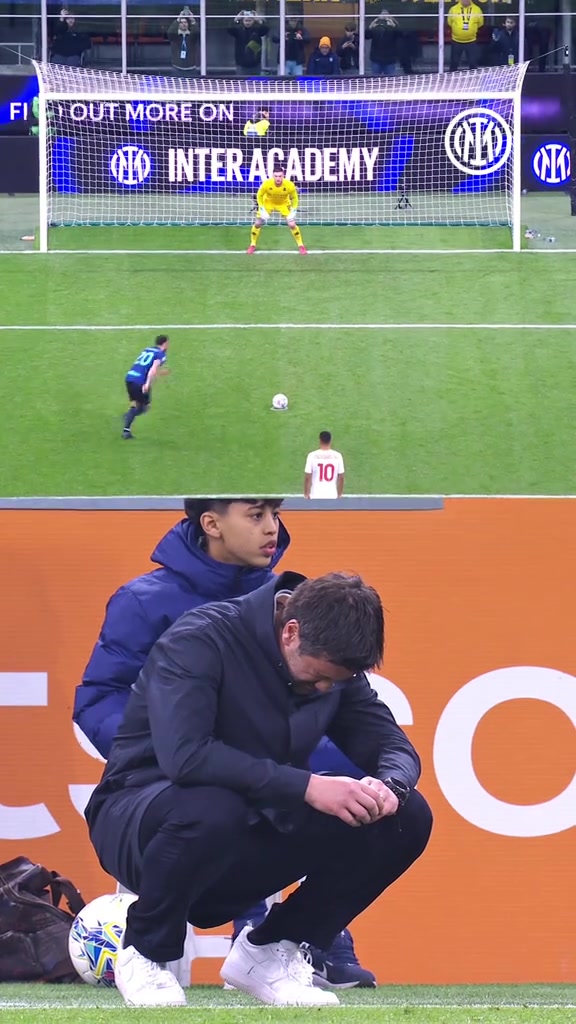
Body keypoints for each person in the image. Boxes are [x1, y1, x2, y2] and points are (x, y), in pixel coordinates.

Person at [85, 570, 433, 1007]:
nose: (324, 689)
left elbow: (392, 745)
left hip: (247, 824)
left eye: (336, 682)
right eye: (318, 677)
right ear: (291, 632)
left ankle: (270, 951)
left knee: (405, 817)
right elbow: (186, 757)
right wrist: (309, 787)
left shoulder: (333, 666)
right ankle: (144, 952)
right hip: (140, 818)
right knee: (214, 804)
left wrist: (389, 788)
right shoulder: (201, 639)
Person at [74, 497, 374, 988]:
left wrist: (333, 779)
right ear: (211, 523)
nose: (272, 528)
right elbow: (100, 698)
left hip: (258, 786)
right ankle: (146, 956)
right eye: (256, 515)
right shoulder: (145, 600)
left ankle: (306, 941)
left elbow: (332, 713)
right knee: (208, 806)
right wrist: (166, 750)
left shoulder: (292, 606)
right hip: (171, 790)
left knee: (316, 800)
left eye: (276, 514)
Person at [247, 165, 307, 256]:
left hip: (283, 203)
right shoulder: (267, 184)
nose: (278, 178)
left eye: (280, 176)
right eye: (276, 176)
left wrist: (294, 210)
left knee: (292, 224)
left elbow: (295, 198)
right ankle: (252, 245)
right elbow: (259, 195)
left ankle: (301, 245)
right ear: (273, 176)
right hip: (268, 203)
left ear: (283, 176)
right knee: (258, 223)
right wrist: (262, 208)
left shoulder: (289, 185)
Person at [122, 334, 169, 440]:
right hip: (140, 381)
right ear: (165, 343)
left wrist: (161, 373)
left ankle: (128, 419)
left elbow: (144, 367)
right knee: (144, 407)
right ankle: (127, 425)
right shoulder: (160, 354)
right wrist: (147, 384)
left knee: (136, 404)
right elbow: (152, 369)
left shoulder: (148, 350)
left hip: (130, 377)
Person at [304, 431, 345, 500]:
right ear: (330, 441)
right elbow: (341, 477)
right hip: (332, 496)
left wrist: (306, 494)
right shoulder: (338, 456)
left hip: (315, 495)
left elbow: (307, 477)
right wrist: (339, 494)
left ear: (320, 440)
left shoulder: (312, 455)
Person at [447, 0, 484, 72]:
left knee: (473, 63)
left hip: (471, 41)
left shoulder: (477, 9)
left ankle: (473, 78)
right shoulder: (453, 9)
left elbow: (480, 23)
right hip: (456, 41)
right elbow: (449, 22)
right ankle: (452, 78)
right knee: (454, 63)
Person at [228, 11, 268, 77]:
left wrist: (259, 20)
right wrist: (236, 19)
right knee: (241, 82)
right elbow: (229, 29)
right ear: (243, 21)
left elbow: (266, 29)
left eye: (250, 20)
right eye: (246, 20)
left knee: (255, 83)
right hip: (241, 64)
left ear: (253, 21)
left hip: (255, 64)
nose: (248, 22)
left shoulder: (257, 30)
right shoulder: (238, 31)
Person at [365, 11, 401, 76]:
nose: (384, 16)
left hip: (390, 59)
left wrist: (394, 26)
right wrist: (371, 26)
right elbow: (366, 36)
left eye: (386, 14)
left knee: (390, 79)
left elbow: (400, 35)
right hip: (376, 58)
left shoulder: (392, 27)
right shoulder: (375, 26)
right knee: (375, 79)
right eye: (382, 14)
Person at [167, 9, 199, 75]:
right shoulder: (176, 36)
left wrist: (192, 20)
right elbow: (170, 32)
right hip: (177, 68)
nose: (184, 24)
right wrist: (178, 19)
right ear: (179, 25)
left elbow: (197, 32)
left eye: (185, 22)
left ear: (188, 24)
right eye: (181, 23)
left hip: (191, 69)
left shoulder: (191, 36)